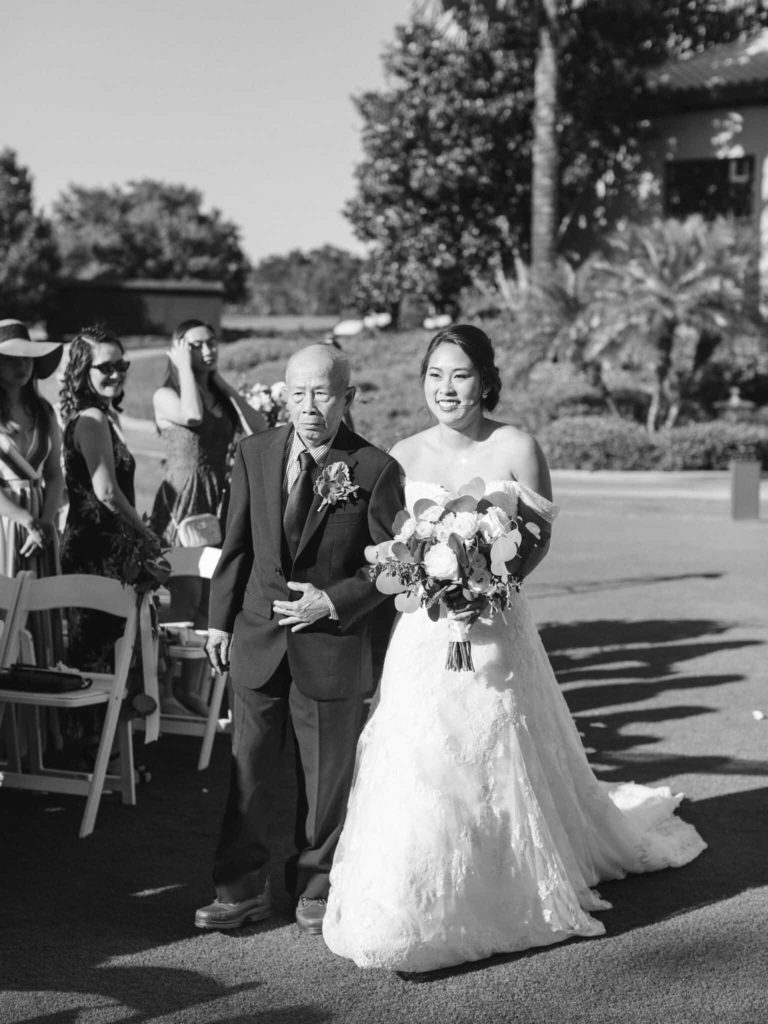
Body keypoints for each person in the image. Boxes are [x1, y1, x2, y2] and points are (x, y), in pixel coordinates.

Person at [322, 324, 707, 973]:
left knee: (495, 746)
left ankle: (505, 883)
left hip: (496, 627)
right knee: (417, 753)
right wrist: (430, 581)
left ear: (485, 379)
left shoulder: (515, 445)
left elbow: (538, 538)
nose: (446, 389)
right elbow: (395, 547)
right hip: (423, 635)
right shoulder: (402, 454)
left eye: (461, 375)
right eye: (435, 375)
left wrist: (487, 583)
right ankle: (401, 894)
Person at [196, 344, 404, 935]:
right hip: (257, 638)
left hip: (333, 643)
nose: (310, 406)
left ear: (348, 398)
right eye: (298, 393)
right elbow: (234, 547)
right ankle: (238, 889)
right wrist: (218, 621)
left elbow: (390, 567)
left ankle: (315, 886)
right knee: (248, 772)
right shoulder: (254, 452)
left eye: (323, 393)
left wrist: (332, 601)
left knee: (324, 779)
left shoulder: (375, 468)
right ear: (283, 394)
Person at [59, 325, 159, 672]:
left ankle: (108, 727)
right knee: (98, 657)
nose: (116, 374)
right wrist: (147, 535)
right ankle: (89, 727)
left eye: (122, 366)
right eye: (105, 367)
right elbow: (105, 491)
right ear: (81, 371)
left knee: (109, 654)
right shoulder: (92, 419)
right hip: (96, 550)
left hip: (102, 545)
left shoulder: (102, 416)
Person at [150, 319, 267, 547]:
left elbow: (259, 426)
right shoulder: (164, 395)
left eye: (212, 344)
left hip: (219, 496)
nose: (208, 351)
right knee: (188, 576)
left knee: (216, 580)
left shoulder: (219, 397)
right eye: (196, 346)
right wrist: (184, 367)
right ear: (180, 350)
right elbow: (192, 415)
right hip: (184, 497)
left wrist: (221, 383)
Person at [0, 319, 64, 664]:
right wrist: (27, 521)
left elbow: (55, 474)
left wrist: (45, 522)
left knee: (42, 618)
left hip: (41, 523)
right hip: (5, 524)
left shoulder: (44, 411)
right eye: (11, 358)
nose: (22, 365)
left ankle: (41, 717)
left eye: (27, 358)